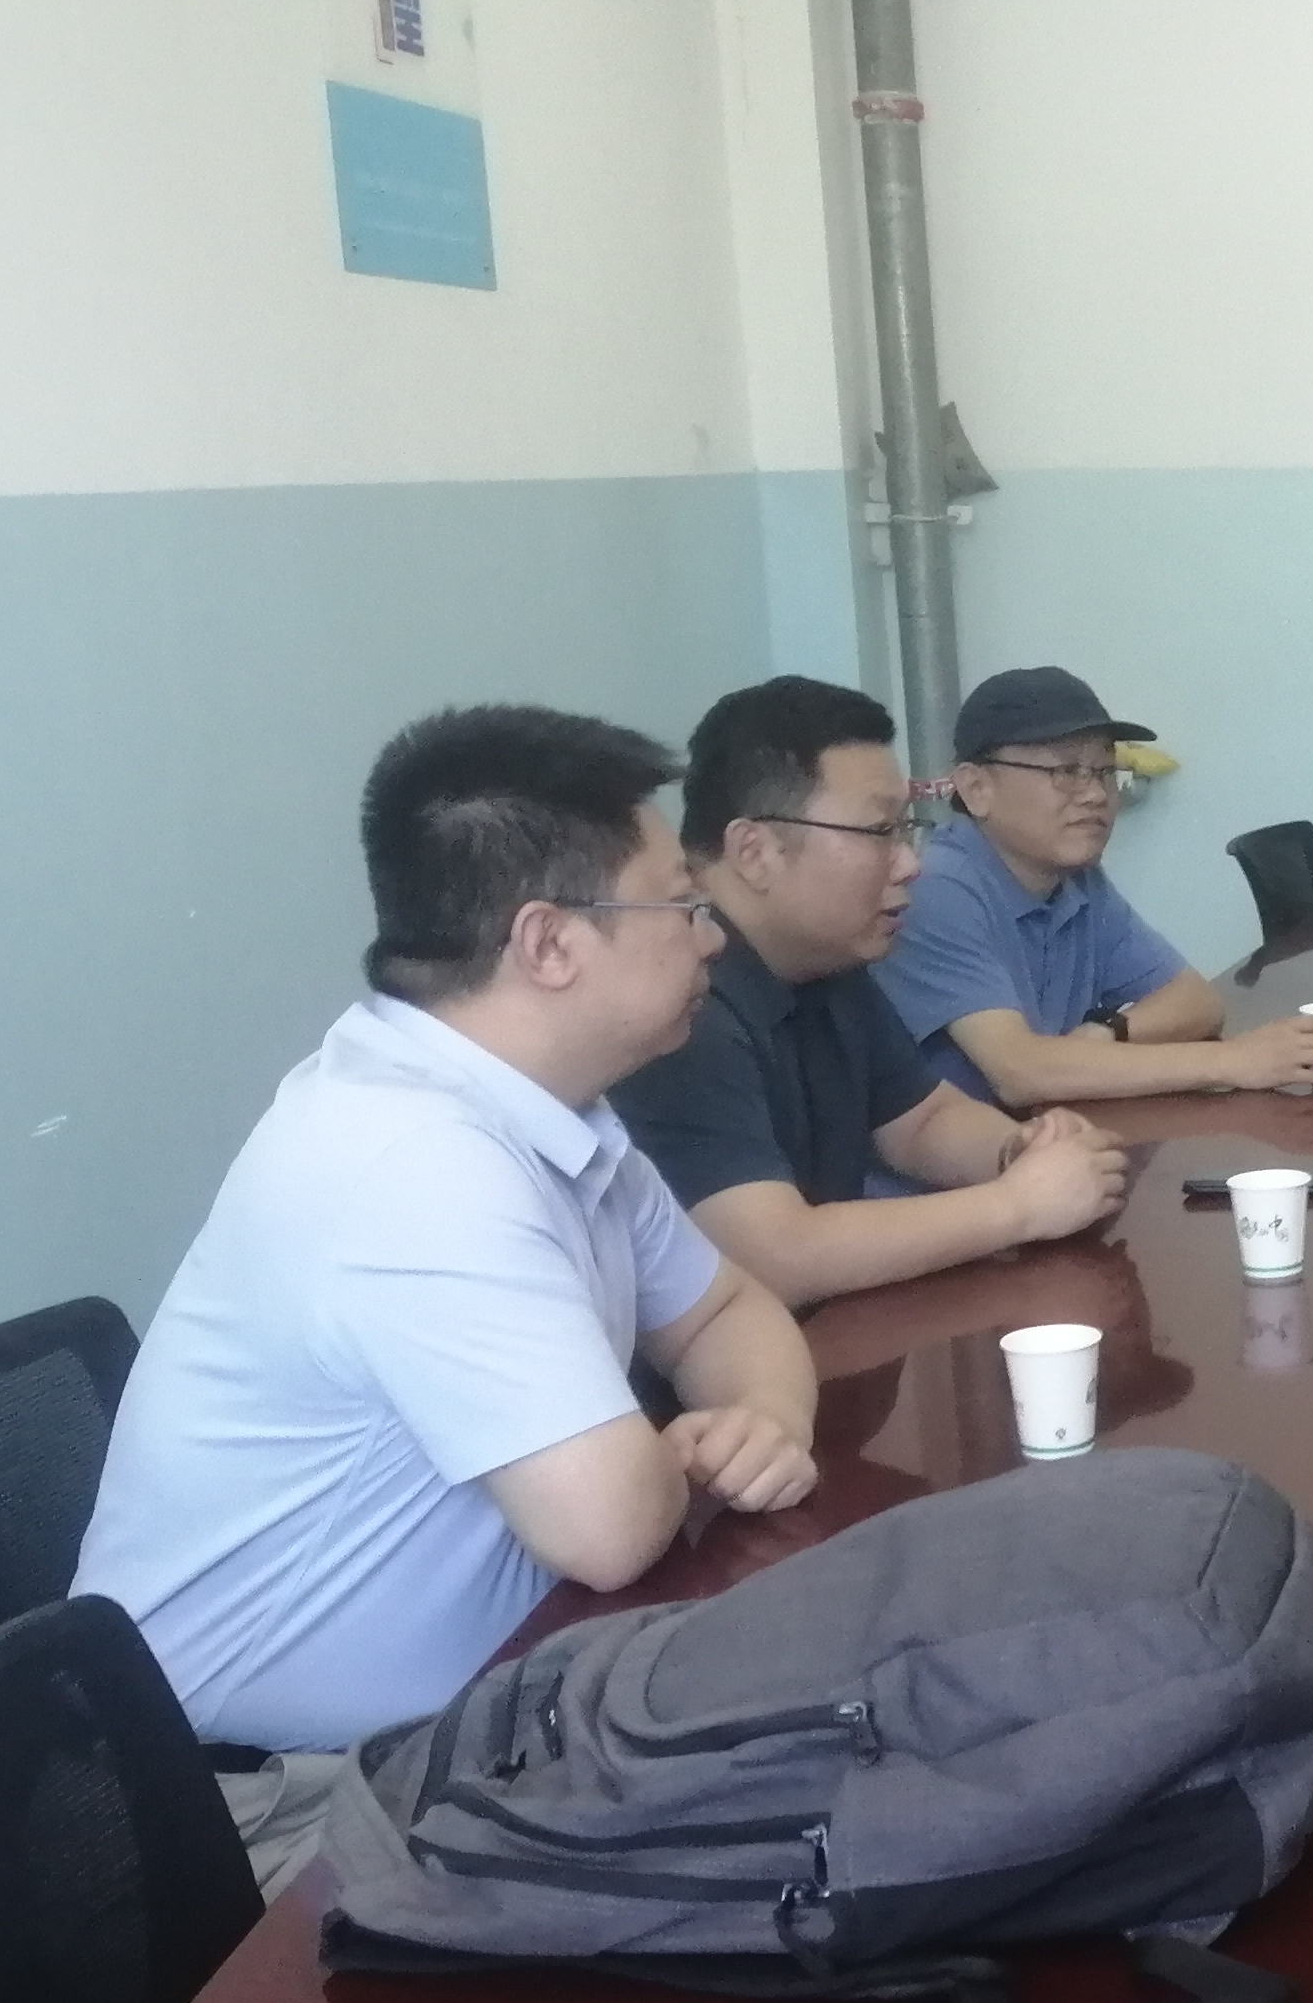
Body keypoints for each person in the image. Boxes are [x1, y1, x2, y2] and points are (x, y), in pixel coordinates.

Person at [75, 708, 822, 1891]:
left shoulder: (550, 1110)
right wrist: (685, 1455)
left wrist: (761, 1426)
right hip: (262, 1816)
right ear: (549, 942)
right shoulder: (412, 1161)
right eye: (680, 905)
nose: (710, 937)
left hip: (479, 1720)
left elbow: (729, 1311)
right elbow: (609, 1529)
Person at [613, 677, 1130, 1308]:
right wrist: (1018, 1205)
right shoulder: (679, 1004)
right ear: (755, 851)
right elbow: (774, 1255)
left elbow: (920, 1120)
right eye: (881, 831)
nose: (910, 863)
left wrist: (1018, 1150)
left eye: (906, 829)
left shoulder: (828, 961)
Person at [878, 663, 1313, 1109]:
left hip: (1059, 1136)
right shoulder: (935, 891)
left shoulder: (1077, 880)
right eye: (1065, 772)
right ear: (976, 788)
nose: (1094, 794)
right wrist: (1233, 1061)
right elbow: (1019, 1072)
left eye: (1105, 771)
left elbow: (1196, 1001)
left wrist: (1105, 1031)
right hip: (968, 1164)